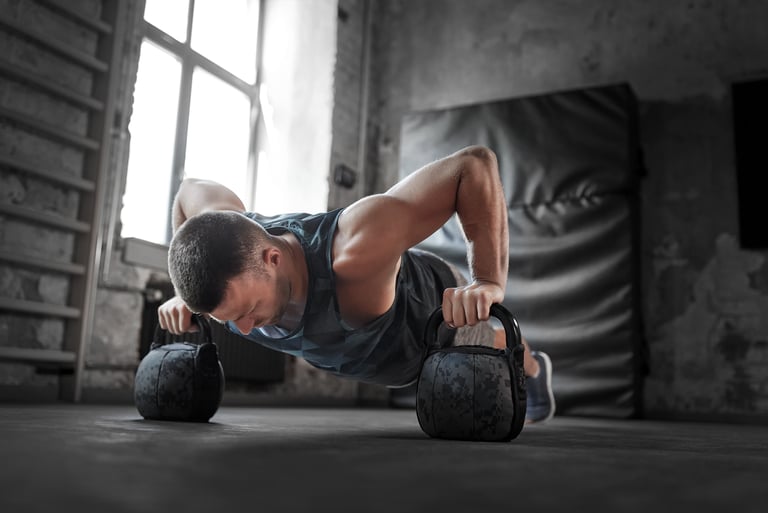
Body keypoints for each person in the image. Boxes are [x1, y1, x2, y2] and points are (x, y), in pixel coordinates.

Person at [158, 145, 555, 423]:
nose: (244, 329)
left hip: (433, 315)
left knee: (495, 344)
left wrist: (486, 281)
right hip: (376, 348)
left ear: (273, 259)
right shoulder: (225, 239)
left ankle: (536, 371)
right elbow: (187, 189)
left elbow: (474, 164)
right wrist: (183, 295)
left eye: (247, 313)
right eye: (229, 319)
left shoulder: (356, 248)